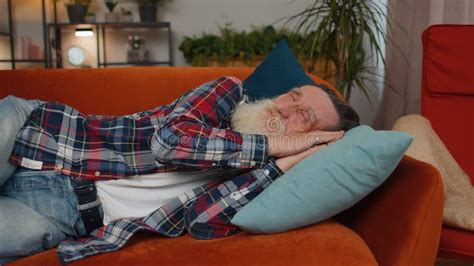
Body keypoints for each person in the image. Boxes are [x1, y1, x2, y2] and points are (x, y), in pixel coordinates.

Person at [0, 76, 359, 263]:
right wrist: (274, 145)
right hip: (39, 133)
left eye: (303, 117)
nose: (285, 108)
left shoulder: (254, 184)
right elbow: (170, 140)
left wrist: (285, 163)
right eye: (293, 96)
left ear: (311, 140)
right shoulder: (228, 93)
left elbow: (202, 222)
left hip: (61, 214)